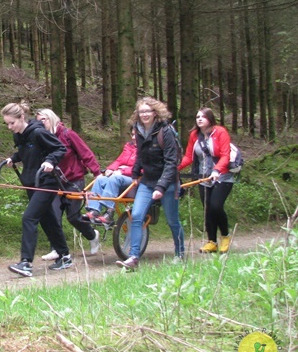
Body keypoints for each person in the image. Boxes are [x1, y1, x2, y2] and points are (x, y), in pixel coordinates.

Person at [1, 102, 72, 277]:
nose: (10, 127)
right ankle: (64, 255)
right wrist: (14, 158)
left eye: (12, 123)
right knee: (48, 219)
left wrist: (50, 161)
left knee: (29, 218)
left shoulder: (39, 132)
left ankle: (26, 262)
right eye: (7, 124)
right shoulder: (19, 136)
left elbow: (59, 148)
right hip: (31, 182)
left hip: (47, 182)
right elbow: (26, 153)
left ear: (22, 118)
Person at [116, 97, 184, 270]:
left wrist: (161, 187)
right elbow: (140, 155)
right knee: (137, 217)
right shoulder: (138, 131)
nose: (145, 115)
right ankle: (133, 257)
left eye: (148, 111)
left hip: (167, 182)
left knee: (172, 220)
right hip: (147, 181)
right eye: (141, 112)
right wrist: (134, 173)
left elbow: (171, 162)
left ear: (155, 113)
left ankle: (180, 253)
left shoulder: (165, 131)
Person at [35, 109, 101, 259]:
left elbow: (86, 154)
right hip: (54, 182)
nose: (41, 123)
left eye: (43, 119)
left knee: (73, 217)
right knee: (53, 216)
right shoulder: (42, 138)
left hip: (74, 180)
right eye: (38, 121)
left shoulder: (68, 134)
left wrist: (97, 173)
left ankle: (92, 235)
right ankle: (57, 249)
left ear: (51, 119)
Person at [178, 107, 235, 254]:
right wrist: (174, 168)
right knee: (208, 209)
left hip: (222, 175)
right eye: (197, 117)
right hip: (203, 177)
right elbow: (189, 157)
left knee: (216, 206)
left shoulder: (220, 132)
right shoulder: (194, 135)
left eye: (203, 116)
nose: (199, 119)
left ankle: (225, 236)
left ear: (210, 118)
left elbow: (225, 155)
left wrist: (217, 170)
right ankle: (212, 241)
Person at [85, 129, 137, 226]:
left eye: (137, 135)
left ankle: (109, 212)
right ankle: (94, 210)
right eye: (133, 134)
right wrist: (110, 169)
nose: (133, 137)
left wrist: (122, 171)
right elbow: (119, 161)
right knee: (100, 179)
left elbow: (143, 168)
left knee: (114, 179)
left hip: (134, 179)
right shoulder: (129, 147)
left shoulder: (146, 150)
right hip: (120, 176)